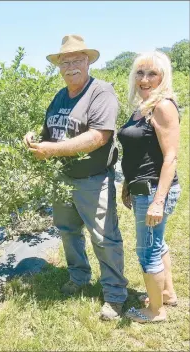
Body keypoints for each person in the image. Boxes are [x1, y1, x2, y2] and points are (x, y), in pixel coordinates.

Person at [24, 34, 128, 320]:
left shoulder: (101, 92)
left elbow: (98, 136)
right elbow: (51, 130)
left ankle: (116, 294)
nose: (71, 66)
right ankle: (79, 277)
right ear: (59, 66)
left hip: (93, 179)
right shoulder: (60, 96)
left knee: (104, 238)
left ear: (88, 62)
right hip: (62, 179)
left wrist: (52, 150)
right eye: (65, 61)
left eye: (77, 60)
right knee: (68, 232)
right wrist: (34, 138)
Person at [117, 50, 181, 323]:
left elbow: (171, 157)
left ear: (163, 77)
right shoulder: (142, 107)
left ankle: (155, 311)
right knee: (158, 243)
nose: (144, 79)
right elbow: (139, 152)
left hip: (155, 191)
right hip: (142, 187)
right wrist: (127, 184)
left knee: (147, 251)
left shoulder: (162, 106)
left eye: (152, 73)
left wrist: (158, 201)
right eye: (140, 73)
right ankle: (166, 294)